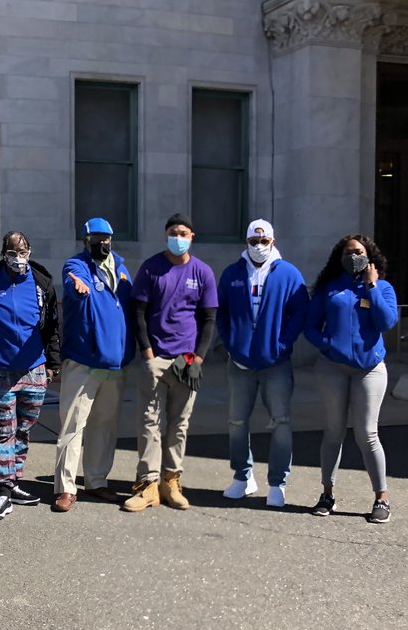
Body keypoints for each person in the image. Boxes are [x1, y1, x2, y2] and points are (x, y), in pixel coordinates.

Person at [0, 231, 61, 522]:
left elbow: (53, 326)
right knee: (4, 430)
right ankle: (2, 491)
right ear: (3, 253)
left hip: (34, 369)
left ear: (30, 251)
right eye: (12, 252)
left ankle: (14, 480)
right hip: (1, 369)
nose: (18, 258)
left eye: (23, 251)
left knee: (23, 431)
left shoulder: (42, 282)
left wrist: (53, 364)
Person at [123, 213, 218, 512]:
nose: (178, 237)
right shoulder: (151, 268)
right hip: (156, 358)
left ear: (192, 236)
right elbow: (137, 312)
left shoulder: (203, 272)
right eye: (173, 232)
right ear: (166, 234)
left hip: (187, 360)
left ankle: (171, 481)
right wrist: (147, 353)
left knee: (179, 424)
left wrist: (199, 357)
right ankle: (148, 485)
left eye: (184, 233)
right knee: (149, 422)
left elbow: (209, 319)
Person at [304, 234, 398, 523]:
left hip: (369, 369)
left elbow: (386, 322)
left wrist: (370, 286)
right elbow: (310, 326)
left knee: (367, 434)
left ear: (369, 255)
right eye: (347, 252)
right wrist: (327, 344)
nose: (352, 257)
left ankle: (381, 498)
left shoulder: (382, 287)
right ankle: (327, 493)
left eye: (358, 252)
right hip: (333, 368)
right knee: (333, 431)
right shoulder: (329, 288)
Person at [216, 219, 309, 508]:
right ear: (246, 243)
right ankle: (243, 477)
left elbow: (300, 312)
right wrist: (231, 345)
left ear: (273, 241)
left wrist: (282, 345)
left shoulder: (289, 274)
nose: (258, 246)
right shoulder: (232, 274)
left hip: (276, 364)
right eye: (253, 242)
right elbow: (221, 313)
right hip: (240, 364)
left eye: (264, 241)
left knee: (281, 422)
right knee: (236, 421)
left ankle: (277, 482)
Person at [52, 217, 134, 512]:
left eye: (106, 237)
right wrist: (76, 286)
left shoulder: (122, 270)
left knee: (104, 426)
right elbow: (74, 287)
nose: (102, 243)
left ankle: (97, 481)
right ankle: (65, 487)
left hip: (114, 364)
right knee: (73, 427)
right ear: (86, 241)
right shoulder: (76, 266)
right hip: (84, 361)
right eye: (95, 238)